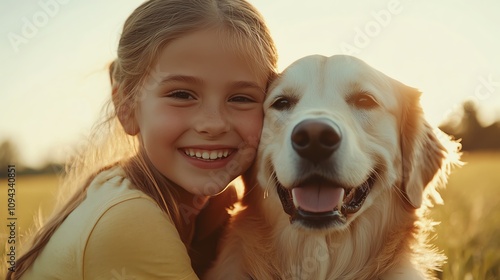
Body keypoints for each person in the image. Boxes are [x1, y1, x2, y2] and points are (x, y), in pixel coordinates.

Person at [7, 0, 277, 279]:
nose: (214, 124)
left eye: (241, 98)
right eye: (182, 95)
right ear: (126, 103)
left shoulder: (204, 212)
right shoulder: (130, 219)